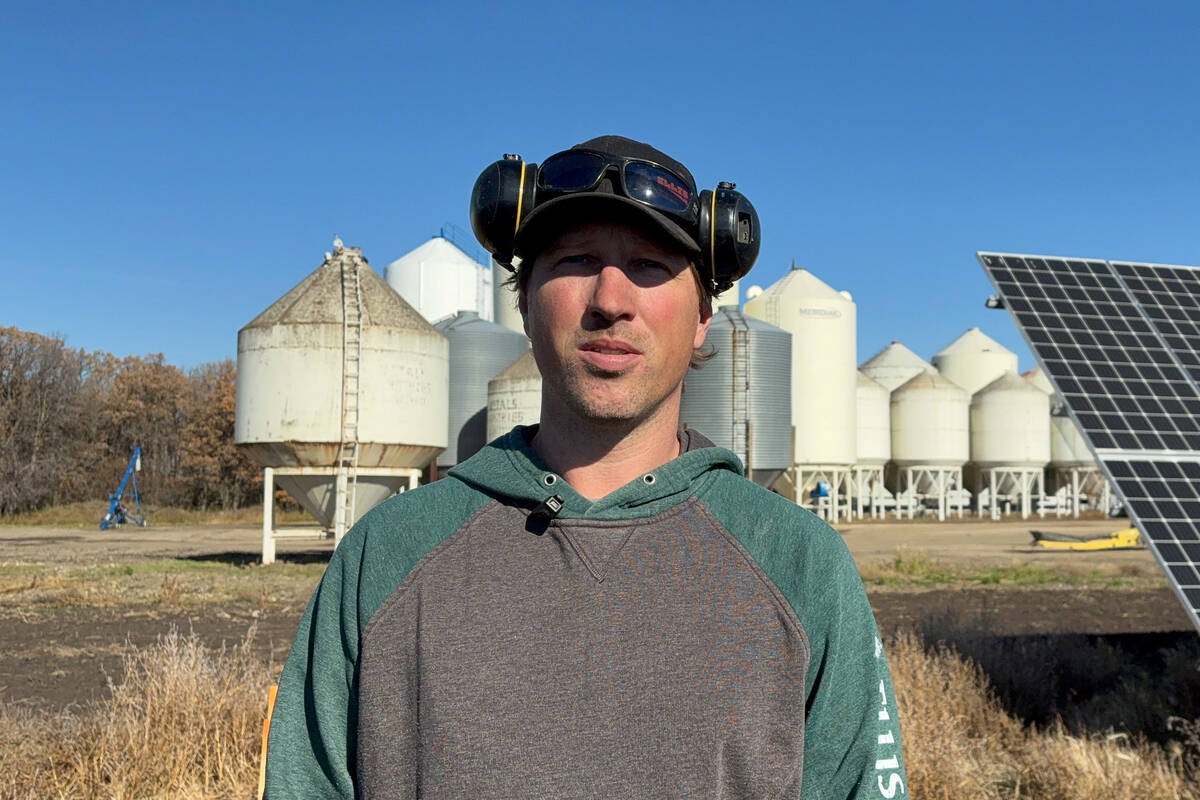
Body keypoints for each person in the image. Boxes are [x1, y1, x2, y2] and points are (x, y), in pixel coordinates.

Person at [264, 136, 907, 799]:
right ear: (524, 301)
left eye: (651, 265)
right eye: (577, 260)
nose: (610, 299)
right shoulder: (389, 554)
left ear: (702, 320)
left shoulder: (800, 565)